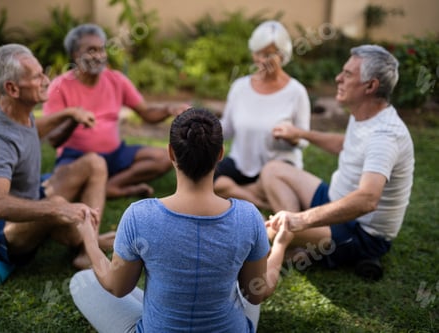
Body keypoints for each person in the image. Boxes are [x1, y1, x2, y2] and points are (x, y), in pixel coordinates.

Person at [69, 108, 294, 332]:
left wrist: (89, 237)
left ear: (171, 153)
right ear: (220, 154)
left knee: (81, 280)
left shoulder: (139, 216)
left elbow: (117, 286)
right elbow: (256, 294)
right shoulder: (249, 216)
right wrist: (280, 245)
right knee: (243, 285)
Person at [262, 44, 414, 271]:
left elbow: (367, 199)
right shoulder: (365, 113)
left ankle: (298, 243)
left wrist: (300, 220)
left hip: (360, 231)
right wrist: (300, 133)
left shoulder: (386, 135)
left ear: (371, 86)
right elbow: (345, 144)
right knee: (273, 170)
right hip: (334, 199)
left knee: (274, 229)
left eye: (348, 74)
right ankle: (297, 243)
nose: (338, 78)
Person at [0, 43, 114, 270]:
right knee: (62, 212)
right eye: (37, 77)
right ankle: (84, 241)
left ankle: (86, 250)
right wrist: (57, 209)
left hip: (30, 197)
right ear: (13, 89)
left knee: (94, 163)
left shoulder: (17, 112)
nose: (46, 80)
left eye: (43, 72)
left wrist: (69, 113)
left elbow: (30, 132)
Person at [43, 23, 188, 199]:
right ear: (75, 54)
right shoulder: (59, 86)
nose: (99, 56)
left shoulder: (116, 79)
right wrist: (73, 118)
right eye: (91, 50)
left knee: (164, 158)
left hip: (115, 154)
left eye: (102, 50)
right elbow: (53, 139)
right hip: (76, 157)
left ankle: (110, 186)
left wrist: (168, 109)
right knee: (60, 185)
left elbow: (146, 112)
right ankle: (102, 186)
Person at [214, 20, 311, 210]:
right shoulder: (240, 87)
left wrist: (292, 137)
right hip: (241, 163)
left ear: (283, 55)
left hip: (277, 166)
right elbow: (227, 128)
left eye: (269, 54)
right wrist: (203, 123)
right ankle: (260, 200)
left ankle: (240, 193)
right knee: (208, 180)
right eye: (258, 53)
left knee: (228, 187)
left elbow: (304, 139)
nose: (262, 60)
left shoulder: (296, 92)